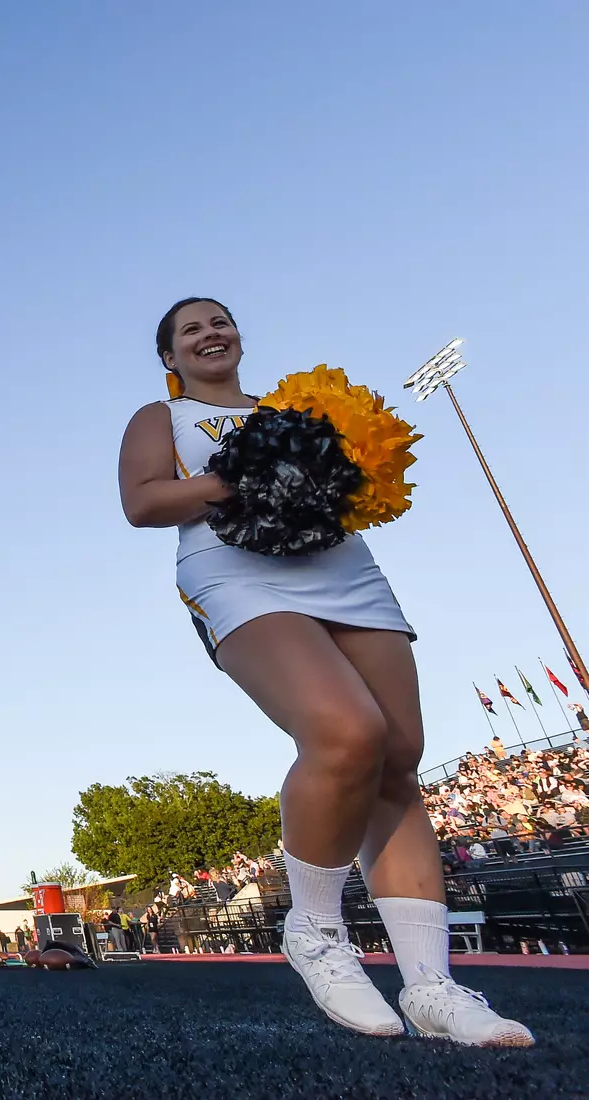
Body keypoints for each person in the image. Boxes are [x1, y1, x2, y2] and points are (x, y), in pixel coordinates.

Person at [117, 297, 531, 1047]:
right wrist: (240, 478)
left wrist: (330, 471)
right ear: (169, 358)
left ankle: (431, 988)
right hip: (236, 576)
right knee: (345, 732)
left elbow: (361, 483)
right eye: (190, 330)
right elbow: (141, 503)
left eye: (220, 322)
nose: (211, 334)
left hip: (343, 571)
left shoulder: (299, 405)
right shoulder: (161, 416)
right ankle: (313, 930)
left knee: (396, 758)